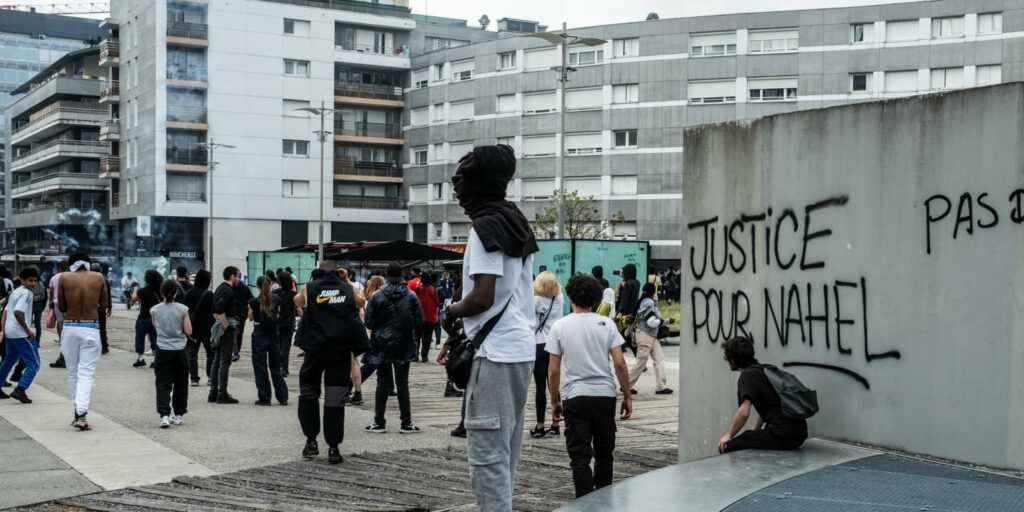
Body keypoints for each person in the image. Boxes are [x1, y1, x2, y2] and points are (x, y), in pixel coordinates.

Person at [441, 144, 538, 511]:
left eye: (460, 183)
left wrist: (451, 310)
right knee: (505, 451)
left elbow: (482, 297)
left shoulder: (484, 227)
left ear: (475, 185)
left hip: (495, 353)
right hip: (520, 350)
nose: (458, 193)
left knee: (487, 457)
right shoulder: (514, 219)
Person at [546, 274, 632, 498]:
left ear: (570, 297)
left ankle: (584, 502)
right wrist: (627, 395)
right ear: (595, 298)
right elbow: (620, 363)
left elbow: (553, 370)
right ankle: (603, 502)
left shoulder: (559, 326)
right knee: (605, 453)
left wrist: (554, 401)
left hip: (575, 396)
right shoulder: (607, 324)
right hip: (605, 395)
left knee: (580, 457)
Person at [294, 261, 368, 465]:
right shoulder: (346, 289)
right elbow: (361, 302)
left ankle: (311, 441)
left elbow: (297, 301)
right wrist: (347, 282)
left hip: (314, 350)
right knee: (335, 399)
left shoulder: (309, 288)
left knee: (308, 393)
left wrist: (311, 282)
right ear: (339, 273)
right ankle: (333, 447)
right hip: (339, 350)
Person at [718, 336, 807, 454]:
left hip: (782, 435)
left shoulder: (747, 376)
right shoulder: (764, 370)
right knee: (748, 438)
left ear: (732, 361)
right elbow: (766, 409)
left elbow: (744, 413)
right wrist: (755, 432)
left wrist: (729, 435)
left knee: (727, 446)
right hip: (799, 435)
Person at [364, 263, 423, 434]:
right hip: (404, 342)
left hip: (381, 342)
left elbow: (368, 321)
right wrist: (413, 336)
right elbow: (419, 320)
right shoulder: (411, 296)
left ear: (387, 276)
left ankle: (379, 421)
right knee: (403, 383)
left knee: (382, 382)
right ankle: (406, 422)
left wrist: (379, 330)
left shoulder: (376, 296)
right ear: (402, 276)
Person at [58, 252, 110, 431]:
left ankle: (77, 412)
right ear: (88, 263)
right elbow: (104, 305)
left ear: (71, 264)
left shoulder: (64, 278)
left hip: (70, 327)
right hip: (91, 327)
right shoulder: (98, 277)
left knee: (73, 372)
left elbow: (61, 307)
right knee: (86, 373)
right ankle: (81, 413)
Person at [150, 279, 192, 428]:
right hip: (180, 349)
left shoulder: (154, 310)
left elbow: (156, 327)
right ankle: (178, 414)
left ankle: (164, 415)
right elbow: (188, 331)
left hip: (163, 348)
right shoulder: (183, 309)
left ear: (161, 292)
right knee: (181, 382)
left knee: (163, 383)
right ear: (176, 292)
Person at [0, 266, 42, 403]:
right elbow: (18, 312)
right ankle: (21, 389)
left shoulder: (15, 292)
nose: (33, 283)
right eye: (30, 280)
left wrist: (3, 330)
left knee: (9, 360)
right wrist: (28, 330)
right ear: (22, 280)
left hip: (10, 332)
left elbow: (5, 312)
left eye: (35, 280)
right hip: (20, 333)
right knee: (34, 363)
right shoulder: (27, 294)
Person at [530, 270, 564, 439]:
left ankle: (540, 425)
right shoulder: (560, 298)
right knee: (554, 385)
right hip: (554, 345)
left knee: (540, 387)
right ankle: (556, 424)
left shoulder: (535, 300)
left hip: (539, 344)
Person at [628, 282, 674, 395]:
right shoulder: (649, 303)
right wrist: (666, 321)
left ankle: (661, 387)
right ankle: (626, 385)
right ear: (653, 292)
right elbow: (651, 322)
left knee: (659, 359)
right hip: (645, 335)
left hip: (649, 335)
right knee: (641, 362)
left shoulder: (643, 301)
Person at [250, 275, 287, 406]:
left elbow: (250, 317)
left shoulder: (254, 301)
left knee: (260, 366)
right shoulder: (277, 298)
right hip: (273, 332)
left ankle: (265, 397)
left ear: (257, 286)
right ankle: (282, 397)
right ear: (271, 284)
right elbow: (279, 314)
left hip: (259, 332)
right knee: (276, 366)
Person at [210, 267, 242, 404]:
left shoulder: (219, 288)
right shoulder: (228, 290)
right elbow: (219, 307)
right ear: (232, 276)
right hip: (227, 327)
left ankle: (213, 392)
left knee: (217, 359)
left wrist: (219, 321)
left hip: (219, 325)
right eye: (238, 276)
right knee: (225, 360)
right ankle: (222, 393)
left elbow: (214, 309)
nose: (239, 279)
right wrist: (225, 324)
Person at [184, 270, 214, 387]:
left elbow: (184, 310)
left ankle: (194, 378)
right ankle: (210, 377)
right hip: (208, 328)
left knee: (192, 353)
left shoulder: (189, 293)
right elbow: (213, 312)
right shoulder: (210, 294)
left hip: (192, 328)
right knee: (210, 353)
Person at [132, 270, 163, 368]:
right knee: (155, 339)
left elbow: (134, 298)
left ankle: (140, 359)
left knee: (140, 338)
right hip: (156, 318)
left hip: (144, 317)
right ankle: (154, 360)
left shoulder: (143, 290)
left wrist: (135, 289)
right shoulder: (161, 290)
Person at [614, 263, 641, 357]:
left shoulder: (627, 285)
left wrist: (618, 315)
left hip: (625, 314)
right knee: (627, 337)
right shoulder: (637, 283)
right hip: (633, 313)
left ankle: (618, 359)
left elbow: (624, 302)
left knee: (621, 337)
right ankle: (639, 359)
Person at [274, 271, 297, 377]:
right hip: (289, 322)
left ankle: (278, 366)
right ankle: (284, 368)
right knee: (286, 346)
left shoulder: (275, 293)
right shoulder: (293, 294)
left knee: (278, 345)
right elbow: (298, 309)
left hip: (277, 322)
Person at [48, 260, 69, 369]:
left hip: (56, 302)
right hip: (68, 301)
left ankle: (61, 338)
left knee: (60, 321)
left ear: (59, 268)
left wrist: (51, 300)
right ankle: (67, 338)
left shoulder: (54, 277)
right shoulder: (70, 277)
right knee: (68, 322)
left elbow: (51, 291)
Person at [415, 270, 439, 363]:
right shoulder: (432, 289)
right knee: (427, 338)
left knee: (417, 337)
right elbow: (437, 304)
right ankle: (424, 356)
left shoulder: (418, 289)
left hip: (419, 317)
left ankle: (415, 355)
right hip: (430, 317)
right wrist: (436, 315)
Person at [91, 263, 112, 355]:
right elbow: (108, 295)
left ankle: (93, 346)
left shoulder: (87, 281)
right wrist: (109, 307)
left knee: (91, 328)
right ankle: (104, 347)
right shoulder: (104, 280)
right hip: (101, 308)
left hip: (90, 308)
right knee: (102, 328)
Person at [231, 278, 253, 362]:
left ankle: (235, 352)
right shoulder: (245, 288)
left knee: (235, 333)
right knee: (239, 333)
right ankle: (236, 352)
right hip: (241, 314)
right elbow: (251, 299)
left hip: (234, 314)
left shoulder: (230, 287)